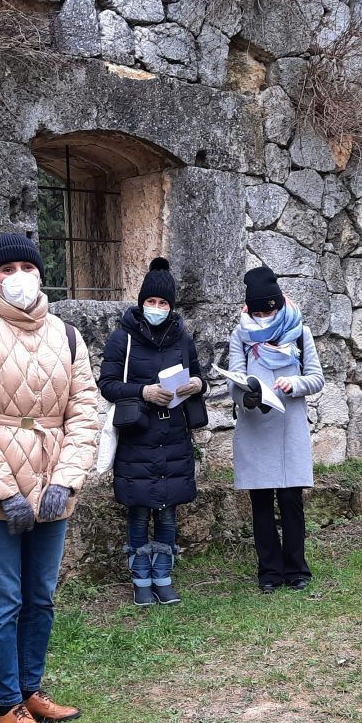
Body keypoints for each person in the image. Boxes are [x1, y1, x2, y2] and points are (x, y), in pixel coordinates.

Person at [0, 232, 100, 723]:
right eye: (6, 269)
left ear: (39, 273)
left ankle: (32, 689)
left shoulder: (68, 336)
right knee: (5, 599)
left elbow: (84, 413)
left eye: (24, 267)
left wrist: (67, 478)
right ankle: (7, 703)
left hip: (53, 487)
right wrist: (3, 491)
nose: (17, 277)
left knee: (41, 596)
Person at [98, 258, 207, 607]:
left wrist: (196, 384)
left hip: (174, 434)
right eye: (151, 302)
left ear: (171, 307)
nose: (157, 308)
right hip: (138, 435)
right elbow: (108, 385)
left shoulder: (182, 338)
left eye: (163, 303)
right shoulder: (122, 338)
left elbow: (199, 376)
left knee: (169, 507)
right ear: (141, 302)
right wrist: (143, 391)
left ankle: (164, 574)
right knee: (140, 507)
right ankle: (140, 576)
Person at [228, 266, 325, 593]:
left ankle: (297, 569)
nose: (264, 317)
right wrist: (248, 395)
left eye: (269, 309)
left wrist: (294, 383)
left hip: (288, 427)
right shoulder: (240, 335)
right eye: (257, 311)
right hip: (256, 425)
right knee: (261, 502)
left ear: (279, 304)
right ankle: (268, 572)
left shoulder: (300, 332)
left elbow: (316, 378)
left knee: (290, 499)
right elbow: (234, 381)